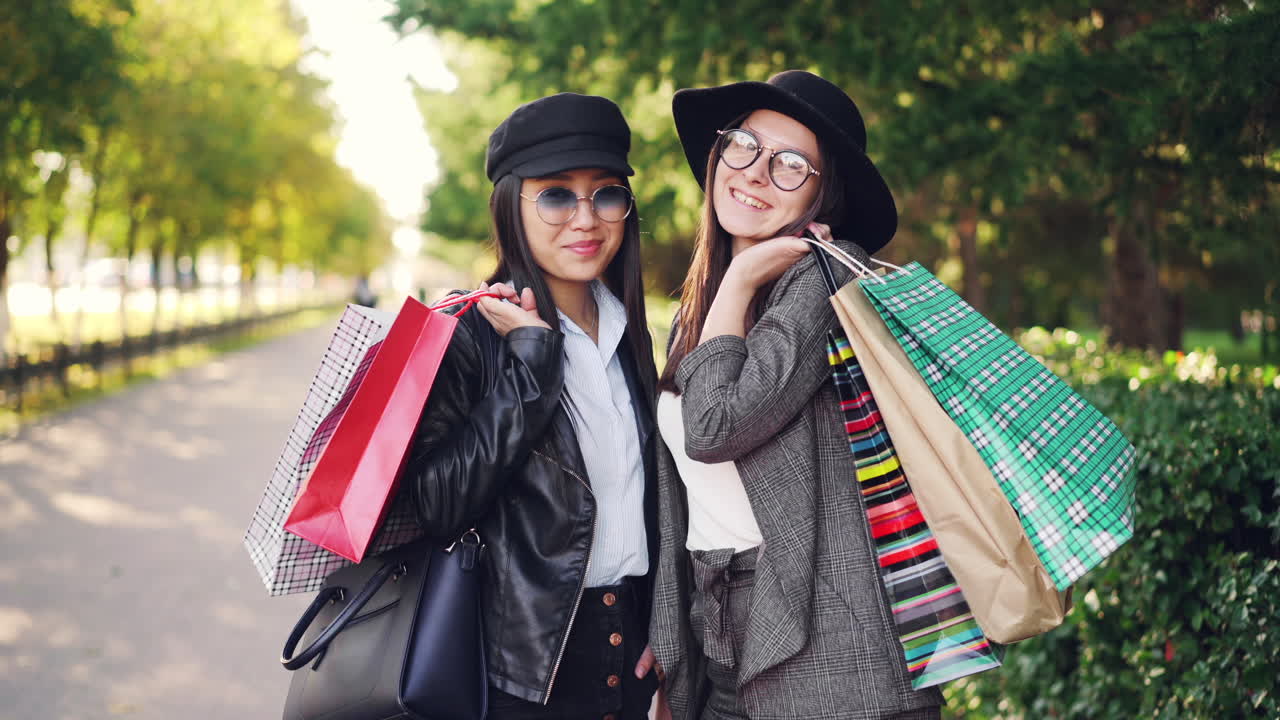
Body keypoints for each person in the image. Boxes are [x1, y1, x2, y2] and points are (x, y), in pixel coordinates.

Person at [648, 70, 947, 719]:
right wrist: (668, 655)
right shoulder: (697, 311)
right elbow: (682, 505)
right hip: (723, 637)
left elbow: (714, 428)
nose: (755, 172)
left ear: (822, 197)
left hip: (833, 657)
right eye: (743, 145)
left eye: (790, 164)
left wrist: (744, 275)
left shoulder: (819, 284)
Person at [403, 93, 662, 720]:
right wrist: (530, 366)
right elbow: (435, 505)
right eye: (555, 195)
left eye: (606, 193)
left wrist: (667, 620)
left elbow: (650, 497)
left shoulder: (632, 332)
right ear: (511, 206)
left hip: (633, 654)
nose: (586, 218)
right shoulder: (470, 335)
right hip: (523, 671)